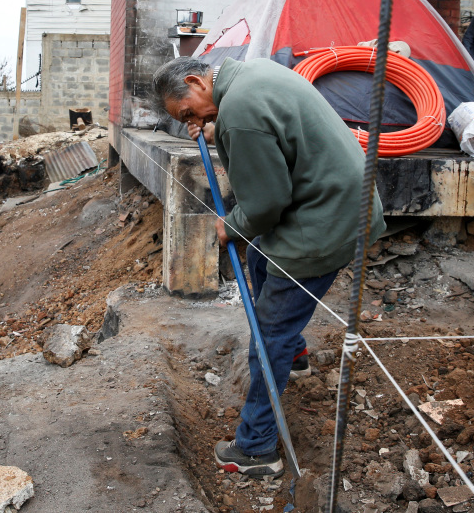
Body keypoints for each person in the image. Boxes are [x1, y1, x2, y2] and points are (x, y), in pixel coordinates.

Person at [150, 56, 386, 479]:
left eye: (187, 112)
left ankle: (257, 447)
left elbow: (265, 203)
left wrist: (230, 228)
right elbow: (262, 140)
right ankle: (295, 357)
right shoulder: (247, 77)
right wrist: (211, 124)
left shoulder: (238, 113)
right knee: (260, 257)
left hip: (326, 219)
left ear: (195, 82)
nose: (190, 121)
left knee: (269, 332)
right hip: (339, 200)